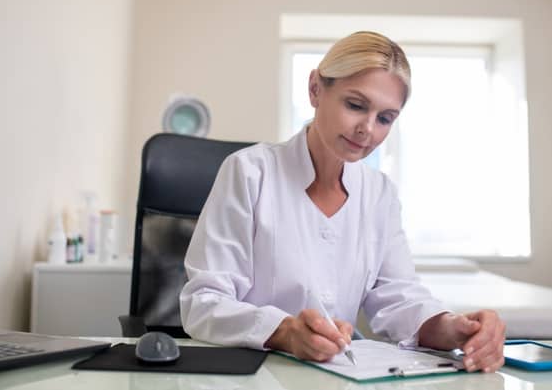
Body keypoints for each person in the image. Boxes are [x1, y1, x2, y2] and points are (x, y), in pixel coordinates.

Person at [180, 31, 506, 373]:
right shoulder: (249, 172)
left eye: (385, 118)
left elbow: (399, 297)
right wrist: (283, 331)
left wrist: (454, 328)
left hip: (337, 375)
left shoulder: (379, 193)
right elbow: (203, 303)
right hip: (252, 377)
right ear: (315, 89)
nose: (367, 129)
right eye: (355, 105)